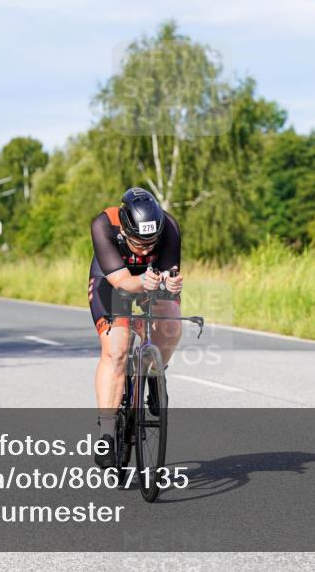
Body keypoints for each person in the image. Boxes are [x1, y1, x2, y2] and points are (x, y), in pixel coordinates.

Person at [88, 187, 183, 468]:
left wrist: (172, 282)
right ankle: (106, 433)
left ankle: (154, 373)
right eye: (138, 243)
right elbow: (123, 283)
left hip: (151, 279)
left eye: (151, 243)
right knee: (116, 350)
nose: (145, 249)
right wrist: (143, 282)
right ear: (125, 229)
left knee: (171, 324)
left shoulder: (170, 226)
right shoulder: (103, 225)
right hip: (113, 281)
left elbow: (169, 273)